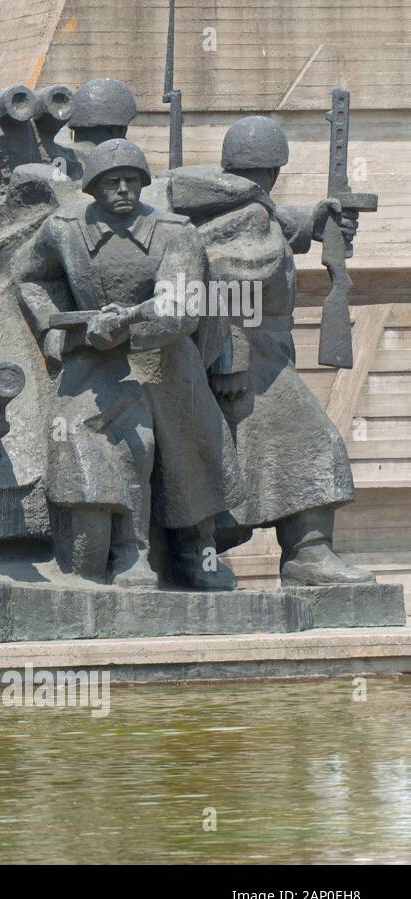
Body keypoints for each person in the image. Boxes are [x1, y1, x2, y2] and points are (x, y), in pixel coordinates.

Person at [154, 116, 373, 585]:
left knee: (240, 458)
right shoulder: (248, 216)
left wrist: (311, 221)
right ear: (275, 169)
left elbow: (265, 226)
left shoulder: (240, 209)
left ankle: (286, 553)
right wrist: (231, 354)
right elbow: (222, 277)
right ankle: (307, 554)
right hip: (248, 360)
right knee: (316, 441)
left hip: (255, 354)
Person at [17, 139, 245, 588]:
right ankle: (130, 552)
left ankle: (197, 548)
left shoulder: (176, 231)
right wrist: (50, 328)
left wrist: (129, 326)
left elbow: (180, 305)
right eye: (111, 182)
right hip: (94, 357)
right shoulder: (63, 229)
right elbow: (30, 278)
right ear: (93, 187)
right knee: (126, 445)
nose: (122, 189)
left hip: (162, 351)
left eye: (131, 181)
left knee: (189, 442)